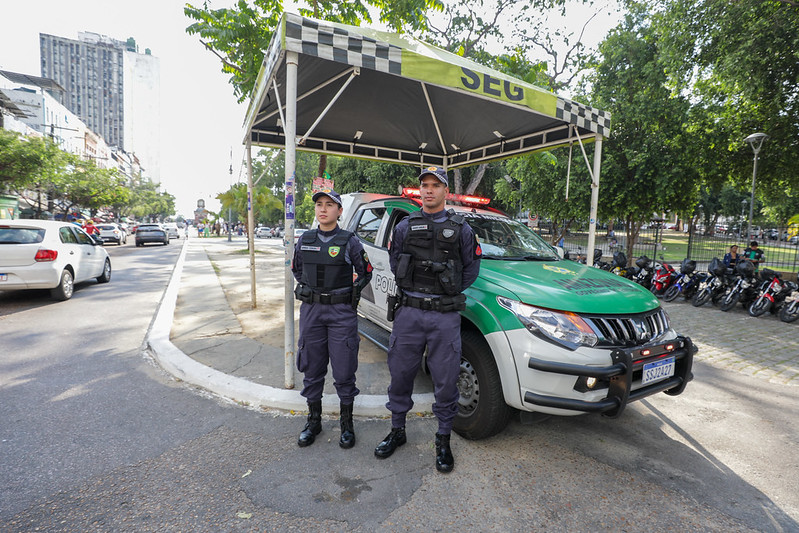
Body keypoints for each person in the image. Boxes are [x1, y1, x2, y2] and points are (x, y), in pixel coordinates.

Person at [374, 166, 482, 473]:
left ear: (446, 191)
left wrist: (447, 290)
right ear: (419, 190)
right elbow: (396, 263)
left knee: (446, 380)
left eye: (436, 185)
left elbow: (471, 267)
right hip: (409, 312)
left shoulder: (461, 228)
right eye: (425, 185)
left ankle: (443, 439)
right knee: (400, 373)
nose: (430, 190)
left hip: (444, 316)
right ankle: (397, 431)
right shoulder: (405, 227)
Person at [291, 189, 372, 449]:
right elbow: (297, 269)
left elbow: (365, 272)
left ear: (339, 211)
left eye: (329, 205)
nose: (323, 209)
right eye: (319, 205)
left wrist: (351, 293)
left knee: (344, 369)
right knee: (312, 368)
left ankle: (346, 424)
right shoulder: (305, 239)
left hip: (341, 313)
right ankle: (313, 421)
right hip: (312, 311)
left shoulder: (350, 241)